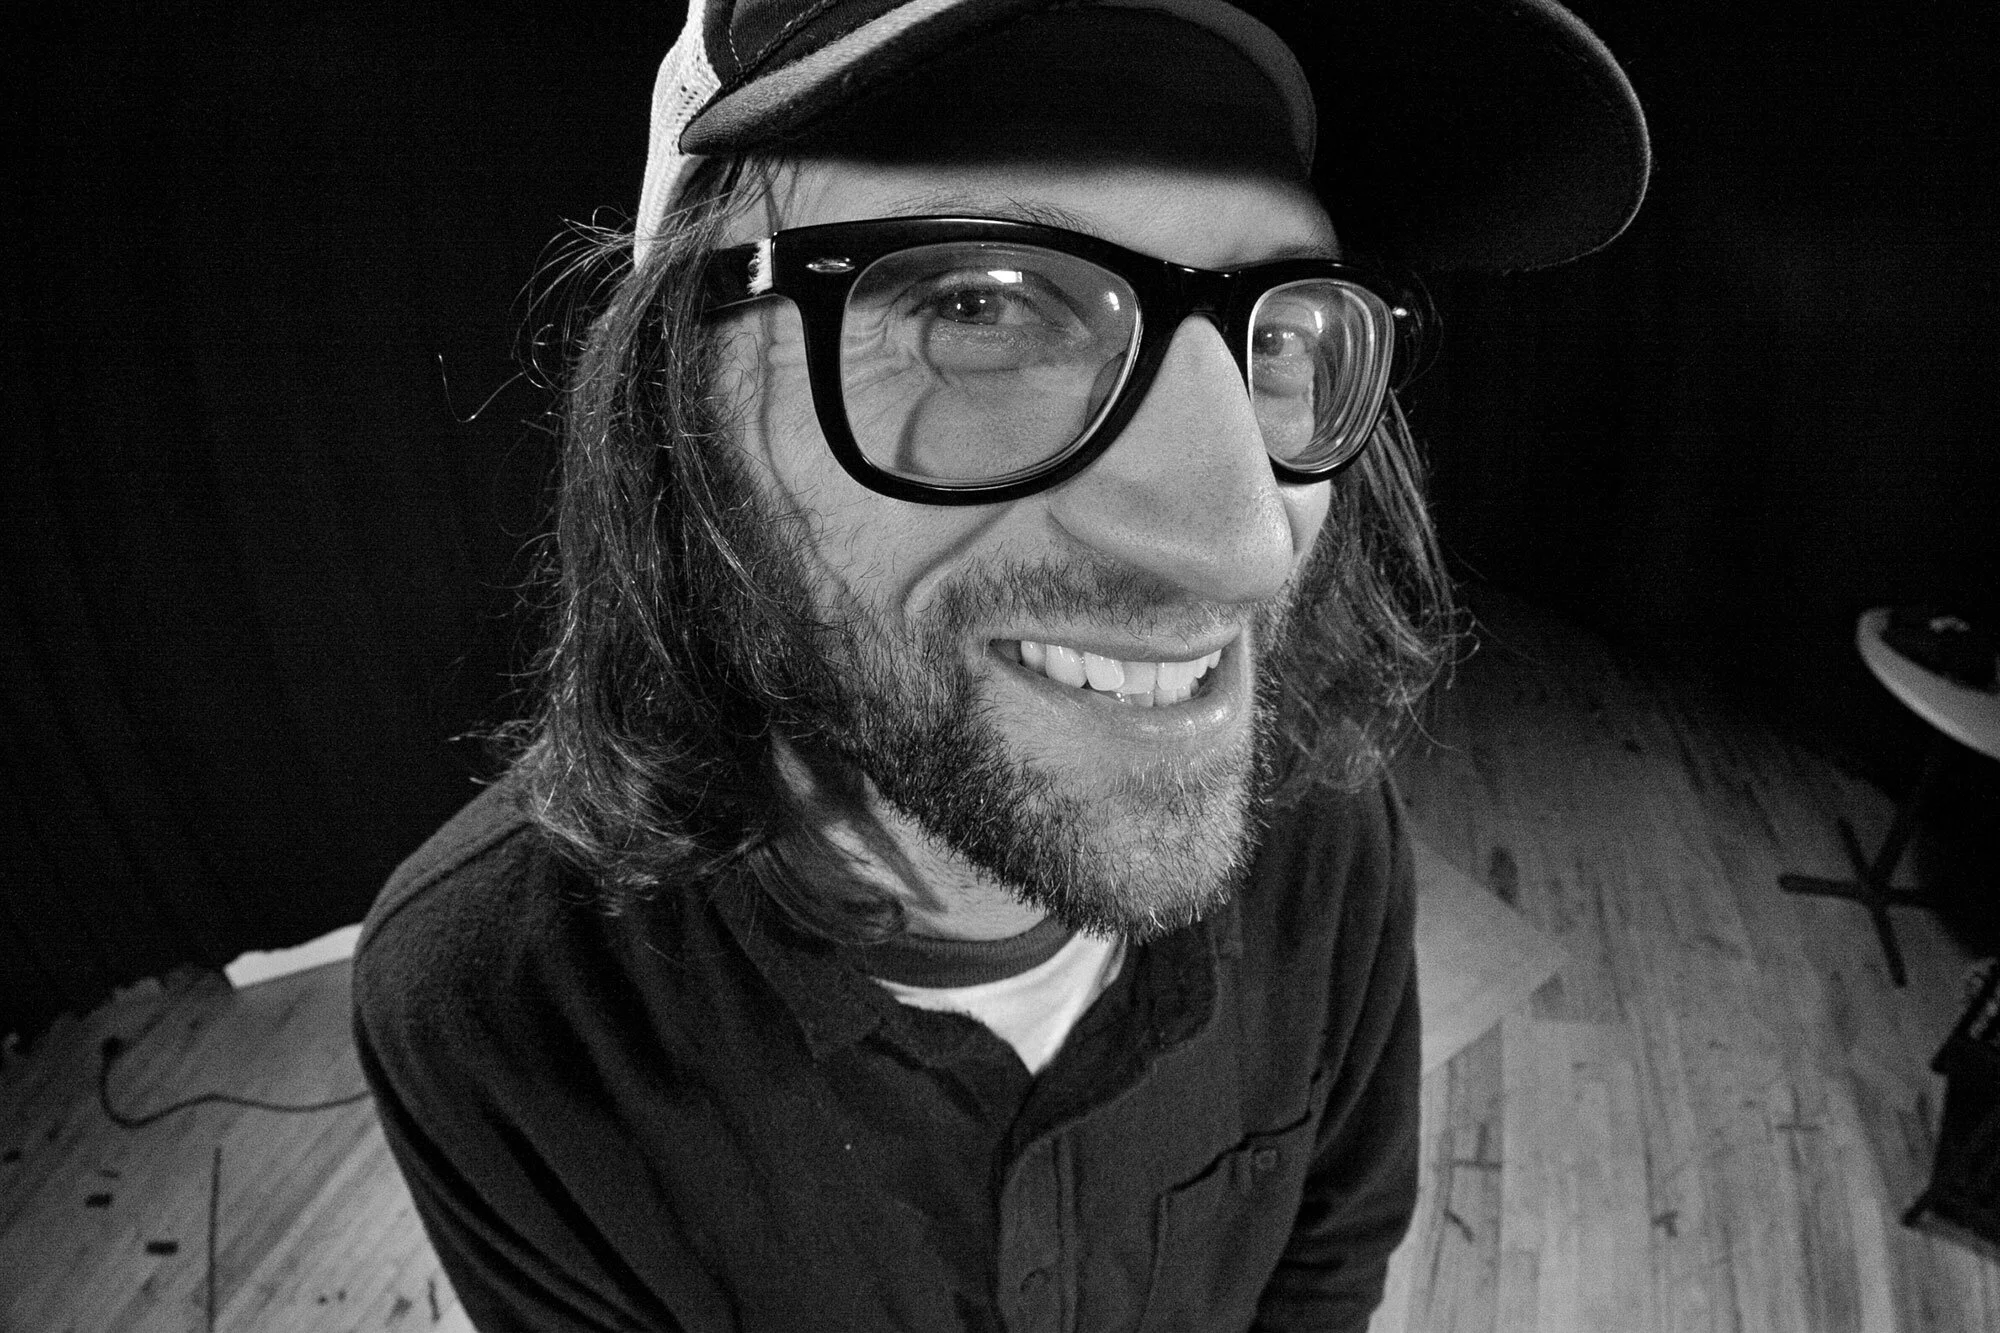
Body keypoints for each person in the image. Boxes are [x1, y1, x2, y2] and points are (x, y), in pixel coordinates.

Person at [352, 0, 1648, 1328]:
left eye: (1274, 336)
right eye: (979, 306)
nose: (1247, 543)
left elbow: (1326, 1266)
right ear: (674, 400)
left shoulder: (1324, 827)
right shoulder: (493, 1004)